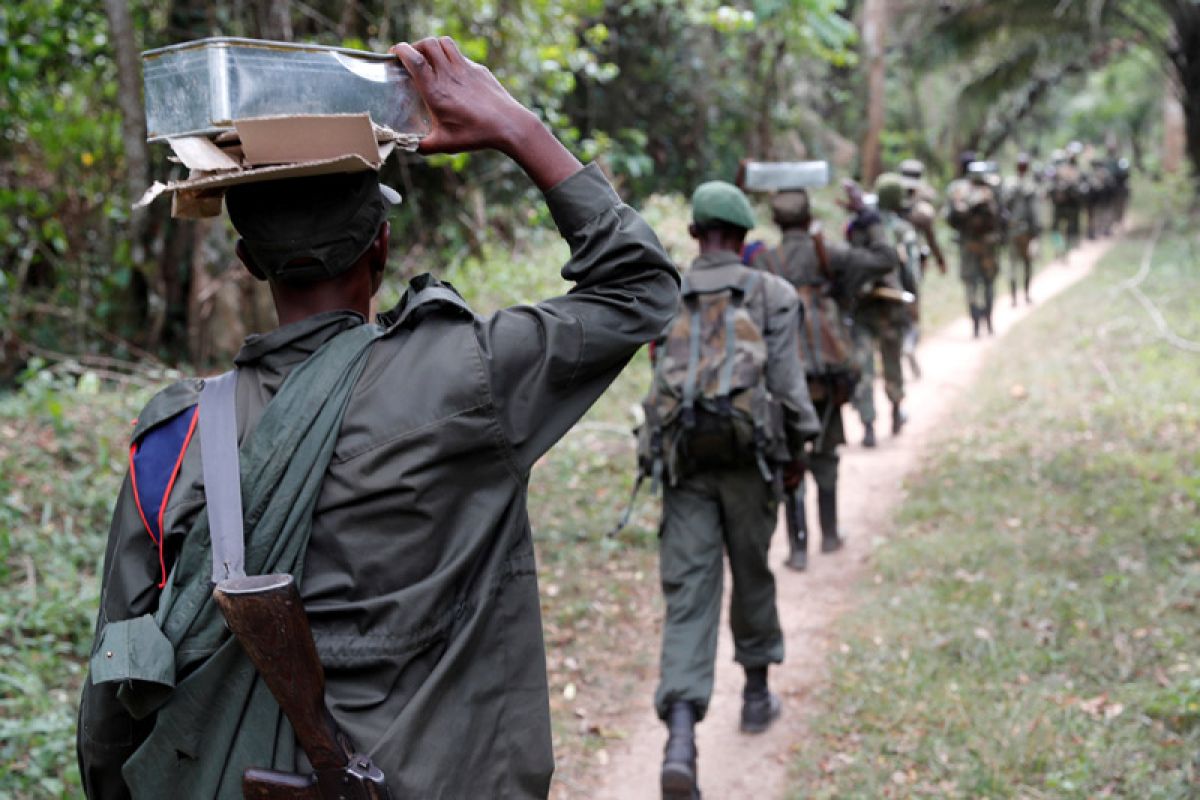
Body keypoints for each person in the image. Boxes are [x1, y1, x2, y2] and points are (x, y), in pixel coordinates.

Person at [76, 36, 679, 800]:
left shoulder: (170, 442)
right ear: (382, 246)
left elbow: (113, 694)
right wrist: (518, 128)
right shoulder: (470, 377)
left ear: (249, 262)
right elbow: (640, 292)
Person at [649, 181, 819, 800]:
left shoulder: (665, 294)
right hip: (751, 461)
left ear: (696, 235)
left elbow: (659, 382)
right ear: (746, 240)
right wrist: (801, 449)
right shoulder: (771, 293)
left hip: (685, 463)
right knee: (752, 571)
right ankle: (754, 695)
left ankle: (681, 741)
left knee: (689, 591)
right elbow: (789, 386)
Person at [745, 189, 895, 570]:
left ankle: (798, 548)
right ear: (809, 216)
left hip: (782, 373)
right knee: (826, 450)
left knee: (789, 453)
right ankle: (829, 534)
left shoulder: (763, 261)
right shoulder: (828, 253)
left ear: (777, 222)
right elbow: (885, 259)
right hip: (827, 370)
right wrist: (869, 216)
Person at [846, 179, 910, 446]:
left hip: (865, 308)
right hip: (888, 307)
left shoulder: (854, 229)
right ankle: (892, 412)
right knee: (890, 362)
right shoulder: (896, 228)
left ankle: (869, 424)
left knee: (865, 366)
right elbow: (907, 269)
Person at [945, 153, 1005, 337]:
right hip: (983, 245)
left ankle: (979, 323)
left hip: (974, 245)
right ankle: (983, 322)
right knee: (984, 283)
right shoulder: (991, 188)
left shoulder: (960, 190)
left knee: (975, 284)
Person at [1004, 152, 1041, 305]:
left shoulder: (1008, 184)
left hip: (1013, 230)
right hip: (1024, 231)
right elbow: (1034, 212)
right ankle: (1024, 295)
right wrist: (1036, 232)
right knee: (1025, 264)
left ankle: (1016, 297)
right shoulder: (1030, 185)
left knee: (1014, 264)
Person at [1048, 144, 1085, 257]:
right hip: (1059, 205)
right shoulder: (1057, 170)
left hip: (1071, 205)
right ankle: (1059, 248)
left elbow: (1079, 187)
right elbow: (1051, 185)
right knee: (1055, 229)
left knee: (1071, 228)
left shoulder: (1076, 170)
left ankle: (1066, 250)